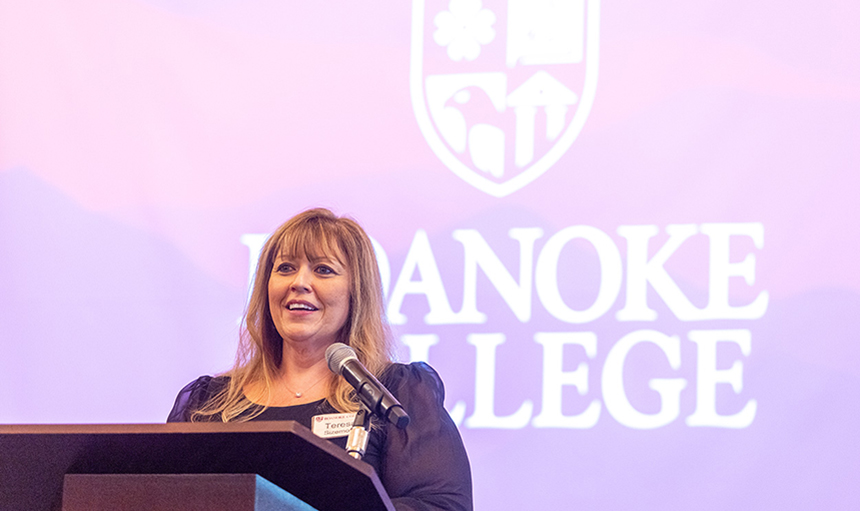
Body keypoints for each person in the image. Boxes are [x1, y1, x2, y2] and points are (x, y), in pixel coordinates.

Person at [167, 208, 472, 511]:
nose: (299, 282)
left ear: (356, 292)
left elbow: (440, 506)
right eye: (285, 268)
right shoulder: (208, 404)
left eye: (323, 269)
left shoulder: (394, 396)